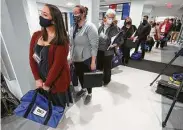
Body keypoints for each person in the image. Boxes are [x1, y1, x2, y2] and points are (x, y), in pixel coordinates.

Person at [29, 4, 71, 108]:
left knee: (58, 105)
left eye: (45, 14)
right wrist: (37, 78)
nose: (41, 17)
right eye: (41, 13)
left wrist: (47, 84)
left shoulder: (61, 41)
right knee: (46, 105)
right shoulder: (36, 35)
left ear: (54, 20)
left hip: (56, 80)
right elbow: (32, 58)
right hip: (42, 79)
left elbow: (57, 66)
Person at [70, 5, 98, 105]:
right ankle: (83, 89)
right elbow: (72, 44)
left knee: (87, 78)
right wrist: (71, 57)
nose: (74, 15)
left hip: (86, 58)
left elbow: (94, 46)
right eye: (73, 13)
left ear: (83, 14)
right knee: (80, 77)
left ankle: (89, 93)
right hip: (76, 59)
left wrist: (93, 61)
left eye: (76, 13)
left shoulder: (90, 27)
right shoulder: (73, 27)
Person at [97, 9, 122, 86]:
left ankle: (106, 80)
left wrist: (115, 45)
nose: (110, 19)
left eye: (112, 17)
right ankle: (99, 79)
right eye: (109, 17)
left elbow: (121, 40)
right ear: (106, 17)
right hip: (99, 50)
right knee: (99, 66)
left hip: (108, 51)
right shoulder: (100, 27)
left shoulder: (115, 28)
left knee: (107, 68)